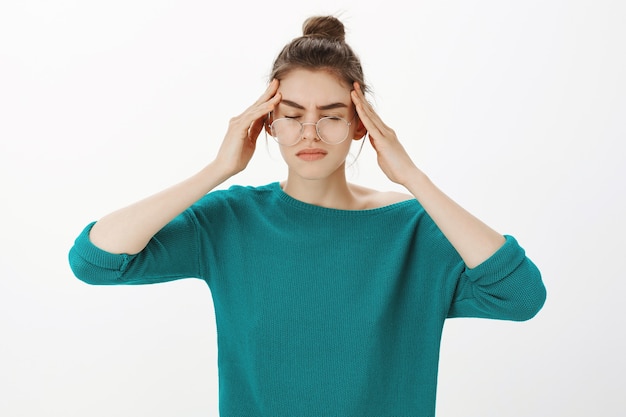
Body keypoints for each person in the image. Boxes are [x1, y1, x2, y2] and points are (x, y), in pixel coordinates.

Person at [69, 15, 546, 417]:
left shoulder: (415, 230)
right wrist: (217, 170)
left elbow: (520, 296)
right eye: (292, 114)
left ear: (361, 125)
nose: (310, 132)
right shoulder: (232, 220)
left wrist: (411, 175)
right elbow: (95, 260)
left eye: (333, 115)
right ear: (267, 122)